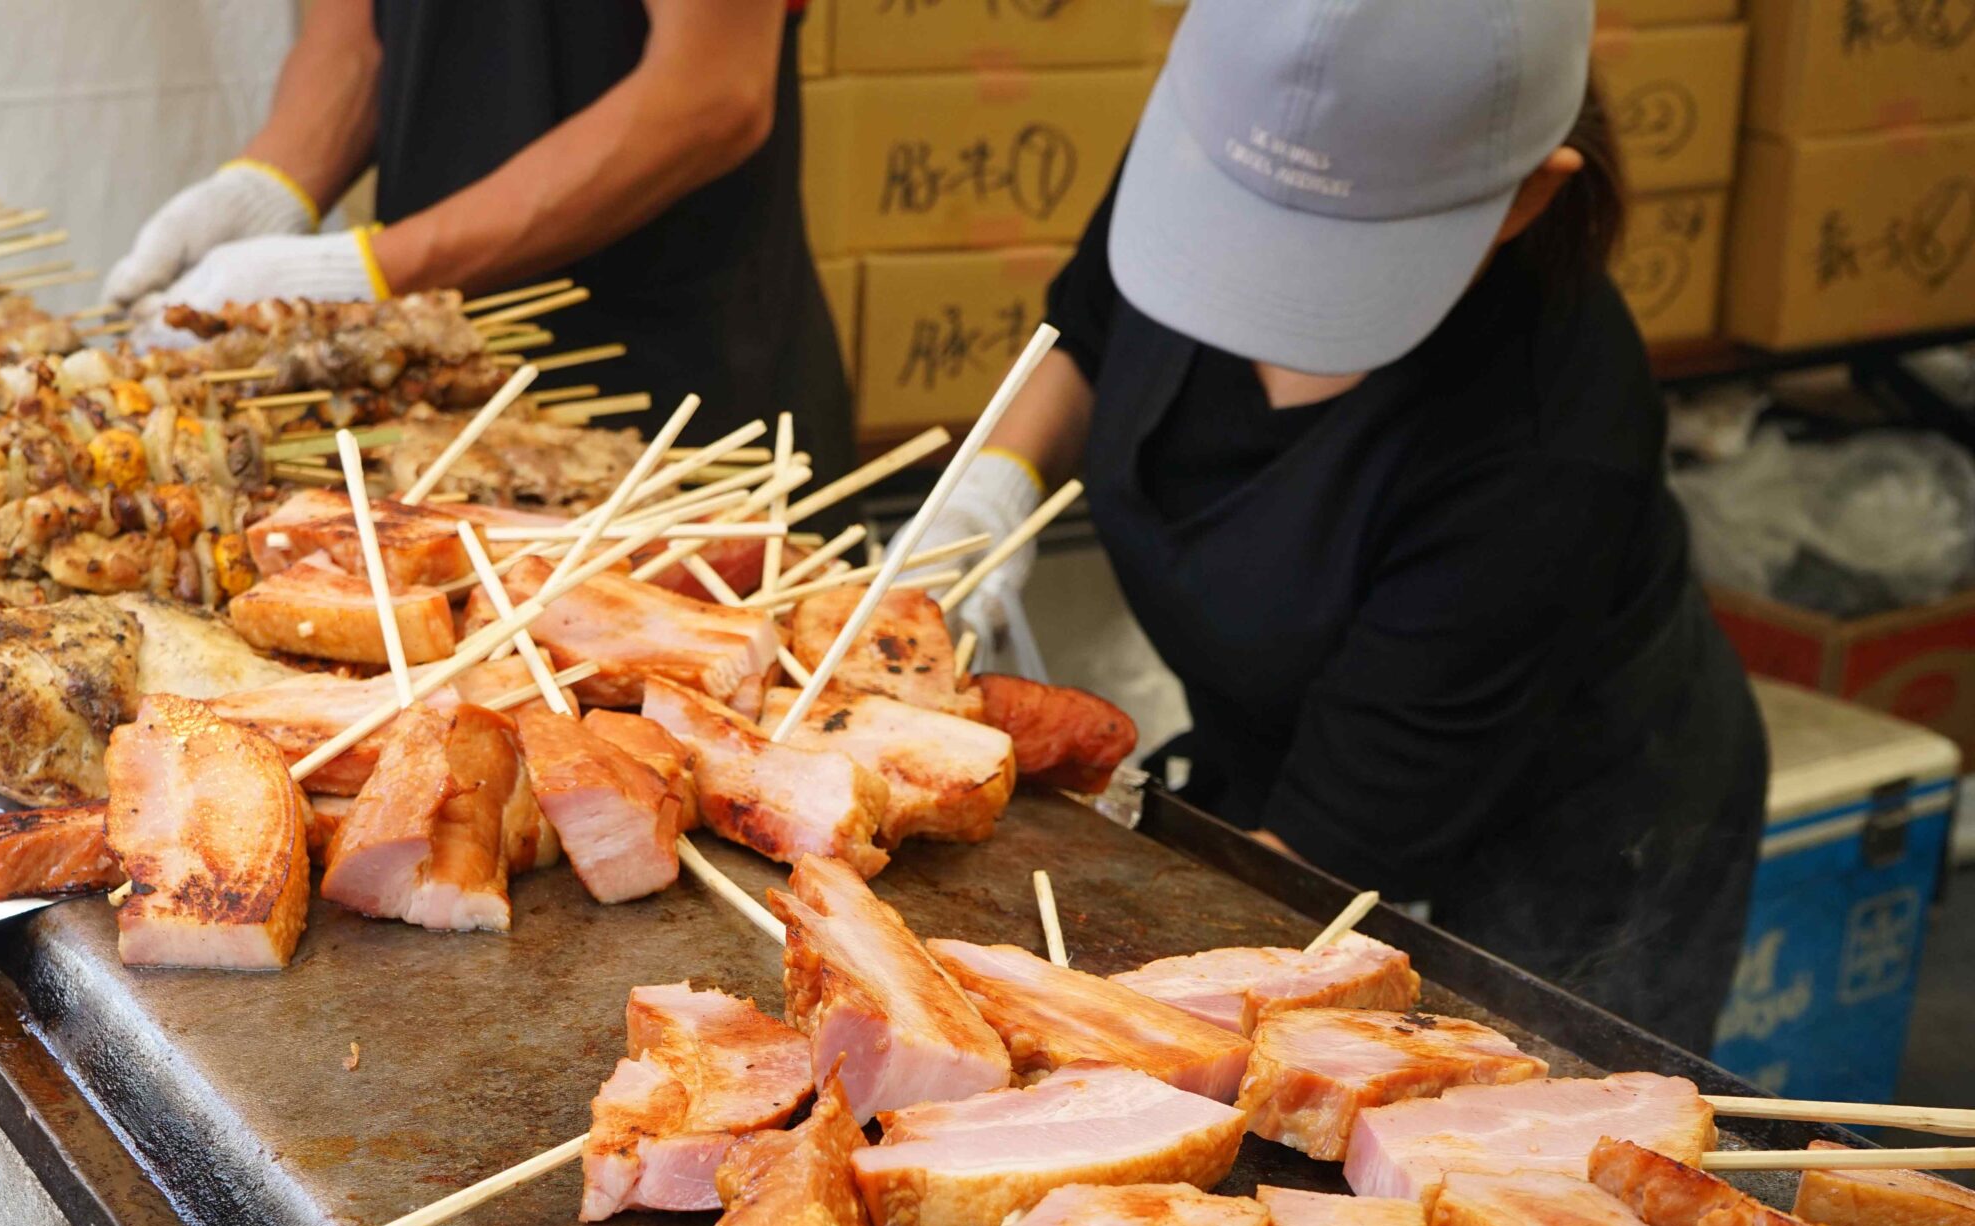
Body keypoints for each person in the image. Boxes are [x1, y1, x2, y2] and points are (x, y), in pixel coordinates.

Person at [927, 0, 1764, 1052]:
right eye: (1244, 222)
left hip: (1559, 817)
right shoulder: (1230, 131)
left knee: (1512, 1130)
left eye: (1333, 254)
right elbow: (1089, 325)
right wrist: (984, 494)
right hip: (1284, 735)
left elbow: (1330, 837)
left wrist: (1082, 1013)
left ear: (1526, 197)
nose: (1258, 300)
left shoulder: (1549, 449)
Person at [103, 0, 853, 473]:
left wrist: (368, 268)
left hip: (674, 386)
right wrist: (268, 187)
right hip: (433, 391)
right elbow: (359, 39)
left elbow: (710, 92)